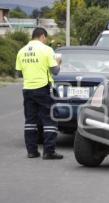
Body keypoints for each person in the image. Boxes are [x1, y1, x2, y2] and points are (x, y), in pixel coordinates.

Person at [16, 27, 63, 159]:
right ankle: (49, 151)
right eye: (46, 39)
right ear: (42, 36)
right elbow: (55, 71)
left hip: (27, 89)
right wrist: (58, 63)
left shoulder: (21, 51)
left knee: (30, 120)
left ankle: (32, 151)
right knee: (49, 119)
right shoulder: (46, 50)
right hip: (43, 88)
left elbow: (19, 73)